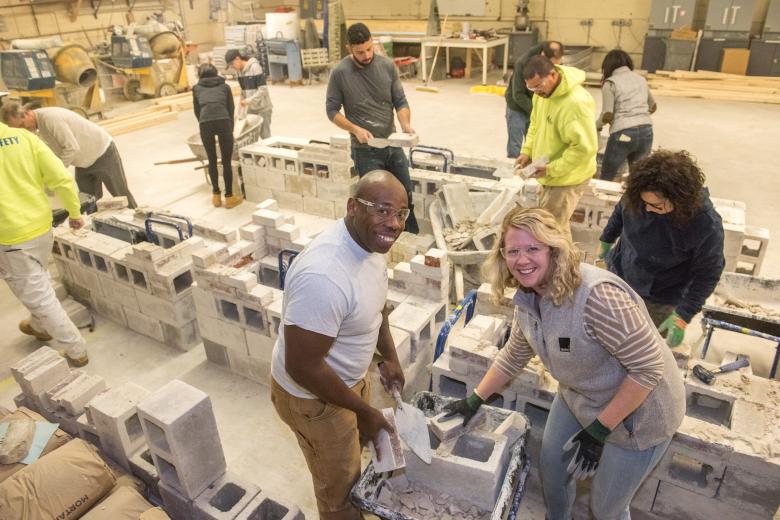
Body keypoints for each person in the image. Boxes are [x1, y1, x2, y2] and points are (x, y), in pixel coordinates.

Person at [443, 207, 685, 520]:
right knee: (552, 468)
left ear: (554, 250)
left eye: (533, 248)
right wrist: (474, 399)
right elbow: (515, 353)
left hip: (640, 412)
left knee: (607, 506)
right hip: (582, 393)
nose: (522, 259)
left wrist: (598, 430)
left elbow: (649, 368)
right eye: (513, 251)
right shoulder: (531, 296)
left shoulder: (598, 297)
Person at [270, 170, 409, 520]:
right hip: (313, 399)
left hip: (344, 380)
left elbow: (376, 305)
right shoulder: (324, 275)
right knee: (340, 494)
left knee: (351, 459)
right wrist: (364, 412)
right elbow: (302, 367)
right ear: (352, 207)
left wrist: (388, 356)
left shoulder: (371, 243)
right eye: (382, 210)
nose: (393, 223)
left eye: (401, 213)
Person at [599, 150, 725, 347]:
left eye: (657, 206)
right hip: (621, 275)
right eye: (644, 203)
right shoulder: (640, 194)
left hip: (662, 296)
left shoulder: (705, 224)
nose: (648, 209)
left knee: (643, 349)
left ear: (679, 200)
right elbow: (619, 213)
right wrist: (605, 244)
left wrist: (683, 315)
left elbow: (708, 274)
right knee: (609, 336)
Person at [0, 119, 89, 367]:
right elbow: (61, 178)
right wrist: (74, 212)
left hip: (10, 237)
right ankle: (39, 326)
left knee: (36, 292)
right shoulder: (23, 137)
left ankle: (76, 349)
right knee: (37, 278)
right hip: (40, 227)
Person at [325, 22, 419, 234]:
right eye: (360, 52)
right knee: (376, 202)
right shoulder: (340, 73)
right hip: (365, 149)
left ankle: (408, 235)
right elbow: (332, 111)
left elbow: (400, 101)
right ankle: (377, 237)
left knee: (405, 193)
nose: (367, 55)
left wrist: (405, 123)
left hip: (392, 145)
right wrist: (355, 129)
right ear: (349, 48)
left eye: (369, 48)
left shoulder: (387, 66)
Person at [515, 56, 598, 238]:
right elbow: (535, 125)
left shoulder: (575, 103)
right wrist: (527, 151)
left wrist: (551, 169)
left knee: (551, 231)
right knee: (554, 224)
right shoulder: (542, 96)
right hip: (550, 173)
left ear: (553, 74)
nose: (536, 92)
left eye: (539, 85)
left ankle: (563, 265)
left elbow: (584, 149)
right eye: (531, 88)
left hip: (568, 178)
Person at [1, 102, 137, 209]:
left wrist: (56, 172)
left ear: (26, 114)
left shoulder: (50, 119)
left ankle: (143, 232)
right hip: (82, 162)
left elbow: (72, 148)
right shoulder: (35, 127)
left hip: (102, 153)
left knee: (121, 195)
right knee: (88, 201)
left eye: (22, 125)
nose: (23, 129)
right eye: (18, 129)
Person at [597, 49, 657, 182]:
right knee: (638, 177)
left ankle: (602, 202)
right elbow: (653, 106)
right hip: (646, 131)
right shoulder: (641, 79)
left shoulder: (610, 83)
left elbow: (607, 114)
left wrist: (596, 126)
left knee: (607, 175)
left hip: (623, 133)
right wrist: (639, 116)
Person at [192, 63, 241, 209]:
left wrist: (204, 122)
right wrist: (230, 129)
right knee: (226, 161)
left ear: (200, 75)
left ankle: (216, 196)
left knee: (212, 160)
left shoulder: (196, 88)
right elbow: (230, 109)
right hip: (223, 121)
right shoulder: (225, 87)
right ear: (215, 73)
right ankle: (230, 198)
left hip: (205, 123)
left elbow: (197, 111)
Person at [505, 41, 564, 158]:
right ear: (543, 56)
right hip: (517, 107)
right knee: (515, 145)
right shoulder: (522, 63)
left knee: (534, 143)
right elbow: (518, 95)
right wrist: (537, 111)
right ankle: (513, 169)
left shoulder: (553, 64)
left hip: (535, 105)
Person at [225, 47, 273, 140]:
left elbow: (263, 89)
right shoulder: (238, 73)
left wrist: (248, 100)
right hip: (251, 108)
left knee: (265, 135)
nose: (232, 67)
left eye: (232, 64)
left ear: (237, 59)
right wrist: (239, 110)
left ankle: (271, 153)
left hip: (263, 107)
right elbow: (243, 92)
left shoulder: (254, 67)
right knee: (250, 136)